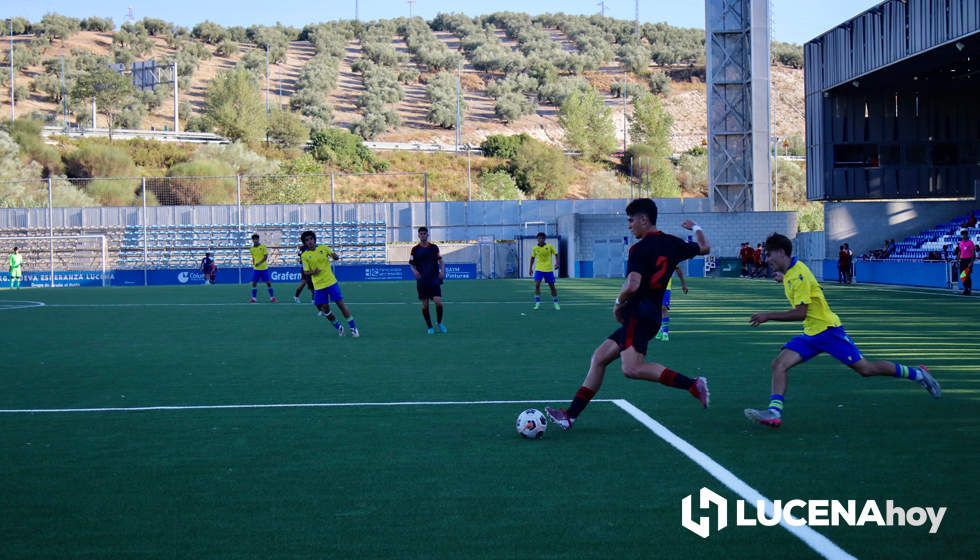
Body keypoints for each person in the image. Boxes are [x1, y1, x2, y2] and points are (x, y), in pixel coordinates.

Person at [743, 233, 941, 428]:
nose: (766, 259)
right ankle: (774, 412)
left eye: (769, 254)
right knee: (779, 365)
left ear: (781, 252)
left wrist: (768, 315)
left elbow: (801, 312)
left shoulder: (798, 275)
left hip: (829, 332)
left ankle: (919, 375)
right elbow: (794, 282)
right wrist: (782, 276)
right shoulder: (791, 272)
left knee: (866, 369)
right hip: (812, 333)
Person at [545, 199, 711, 431]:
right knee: (599, 357)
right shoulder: (673, 243)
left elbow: (633, 284)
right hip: (651, 315)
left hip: (638, 314)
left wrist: (617, 302)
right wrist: (696, 228)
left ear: (644, 219)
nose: (629, 226)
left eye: (631, 220)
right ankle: (570, 415)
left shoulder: (639, 248)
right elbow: (705, 248)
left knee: (631, 368)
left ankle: (693, 385)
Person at [300, 230, 359, 337]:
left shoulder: (324, 248)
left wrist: (335, 256)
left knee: (341, 305)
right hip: (318, 286)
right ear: (305, 243)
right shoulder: (305, 255)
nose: (309, 242)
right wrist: (313, 272)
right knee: (325, 310)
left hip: (331, 282)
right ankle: (339, 327)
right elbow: (305, 271)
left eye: (311, 239)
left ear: (314, 239)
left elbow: (334, 256)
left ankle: (353, 328)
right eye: (307, 240)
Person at [409, 226, 446, 334]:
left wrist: (442, 271)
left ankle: (439, 323)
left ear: (427, 235)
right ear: (418, 235)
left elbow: (441, 261)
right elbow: (411, 264)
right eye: (421, 234)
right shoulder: (415, 250)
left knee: (438, 302)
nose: (423, 235)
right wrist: (414, 272)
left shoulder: (434, 247)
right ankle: (430, 327)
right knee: (425, 305)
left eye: (424, 233)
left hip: (434, 279)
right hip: (422, 281)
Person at [655, 266, 687, 342]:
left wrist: (683, 284)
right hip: (654, 287)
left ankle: (665, 333)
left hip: (666, 287)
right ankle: (660, 329)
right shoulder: (652, 256)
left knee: (663, 308)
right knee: (656, 309)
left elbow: (678, 269)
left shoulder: (671, 256)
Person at [529, 232, 560, 310]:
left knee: (552, 287)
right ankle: (537, 303)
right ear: (537, 239)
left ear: (544, 239)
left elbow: (556, 254)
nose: (541, 240)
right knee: (537, 285)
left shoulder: (549, 246)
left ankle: (556, 303)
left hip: (548, 269)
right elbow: (532, 258)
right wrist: (530, 268)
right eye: (539, 238)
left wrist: (557, 263)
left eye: (542, 238)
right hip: (539, 269)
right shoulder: (535, 248)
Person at [248, 233, 277, 303]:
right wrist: (254, 263)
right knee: (254, 283)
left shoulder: (263, 247)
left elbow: (265, 257)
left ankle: (272, 298)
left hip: (264, 268)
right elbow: (253, 257)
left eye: (256, 239)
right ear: (252, 240)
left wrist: (259, 263)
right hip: (256, 269)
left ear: (258, 239)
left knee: (268, 283)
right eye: (254, 239)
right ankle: (254, 298)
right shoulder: (251, 249)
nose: (255, 240)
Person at [958, 229, 975, 296]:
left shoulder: (970, 243)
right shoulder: (961, 243)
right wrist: (958, 260)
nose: (963, 236)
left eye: (964, 234)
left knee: (967, 275)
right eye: (962, 235)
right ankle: (965, 289)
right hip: (962, 260)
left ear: (966, 235)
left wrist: (971, 262)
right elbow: (960, 252)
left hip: (968, 260)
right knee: (962, 275)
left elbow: (973, 253)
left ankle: (969, 290)